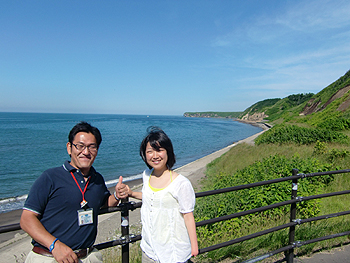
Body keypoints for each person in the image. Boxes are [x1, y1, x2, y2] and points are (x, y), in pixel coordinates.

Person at [20, 121, 127, 263]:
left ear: (97, 149)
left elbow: (102, 203)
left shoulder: (97, 179)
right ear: (69, 148)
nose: (86, 152)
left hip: (87, 256)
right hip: (49, 257)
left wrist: (116, 196)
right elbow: (26, 219)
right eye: (80, 146)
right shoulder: (50, 177)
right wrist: (55, 245)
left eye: (92, 147)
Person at [116, 127, 198, 263]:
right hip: (149, 250)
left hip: (172, 252)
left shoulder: (181, 183)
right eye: (150, 151)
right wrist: (130, 193)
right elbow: (151, 197)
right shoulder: (146, 175)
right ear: (144, 154)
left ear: (168, 152)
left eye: (159, 150)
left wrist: (194, 247)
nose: (155, 156)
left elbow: (188, 216)